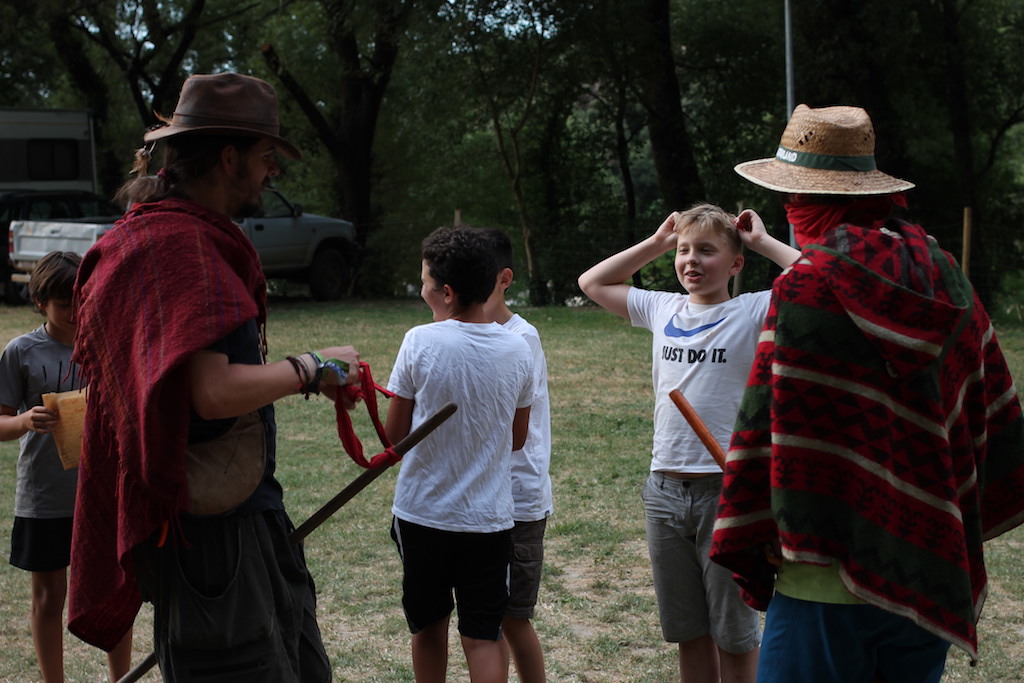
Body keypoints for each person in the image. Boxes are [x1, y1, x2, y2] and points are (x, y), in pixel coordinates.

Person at [710, 104, 1024, 682]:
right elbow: (984, 401)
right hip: (926, 571)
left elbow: (766, 426)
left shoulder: (804, 288)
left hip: (817, 579)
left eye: (795, 200)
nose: (791, 210)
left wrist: (752, 521)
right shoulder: (944, 275)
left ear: (808, 204)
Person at [67, 72, 361, 682]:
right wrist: (315, 367)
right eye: (265, 157)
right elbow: (213, 393)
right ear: (229, 158)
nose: (271, 171)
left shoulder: (154, 239)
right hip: (214, 543)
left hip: (239, 520)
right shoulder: (184, 252)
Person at [577, 203, 800, 683]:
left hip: (727, 494)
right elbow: (591, 283)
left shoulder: (752, 309)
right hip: (664, 492)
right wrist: (657, 243)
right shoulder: (662, 308)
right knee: (689, 633)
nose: (691, 260)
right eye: (683, 251)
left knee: (735, 636)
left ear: (736, 263)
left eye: (707, 251)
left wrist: (761, 241)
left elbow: (818, 280)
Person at [385, 226, 534, 683]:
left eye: (425, 281)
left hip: (423, 515)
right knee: (483, 636)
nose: (423, 288)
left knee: (429, 625)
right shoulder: (518, 346)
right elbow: (517, 438)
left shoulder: (419, 341)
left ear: (445, 292)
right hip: (488, 520)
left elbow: (394, 437)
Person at [0, 252, 132, 683]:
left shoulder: (106, 341)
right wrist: (23, 421)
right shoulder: (20, 351)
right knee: (48, 596)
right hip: (45, 497)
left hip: (102, 492)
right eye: (63, 305)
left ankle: (122, 678)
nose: (75, 314)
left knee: (113, 592)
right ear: (40, 302)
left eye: (82, 301)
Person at [478, 228, 552, 683]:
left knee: (513, 618)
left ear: (504, 278)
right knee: (486, 617)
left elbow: (511, 433)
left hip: (517, 502)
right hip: (480, 500)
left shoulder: (521, 338)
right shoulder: (459, 332)